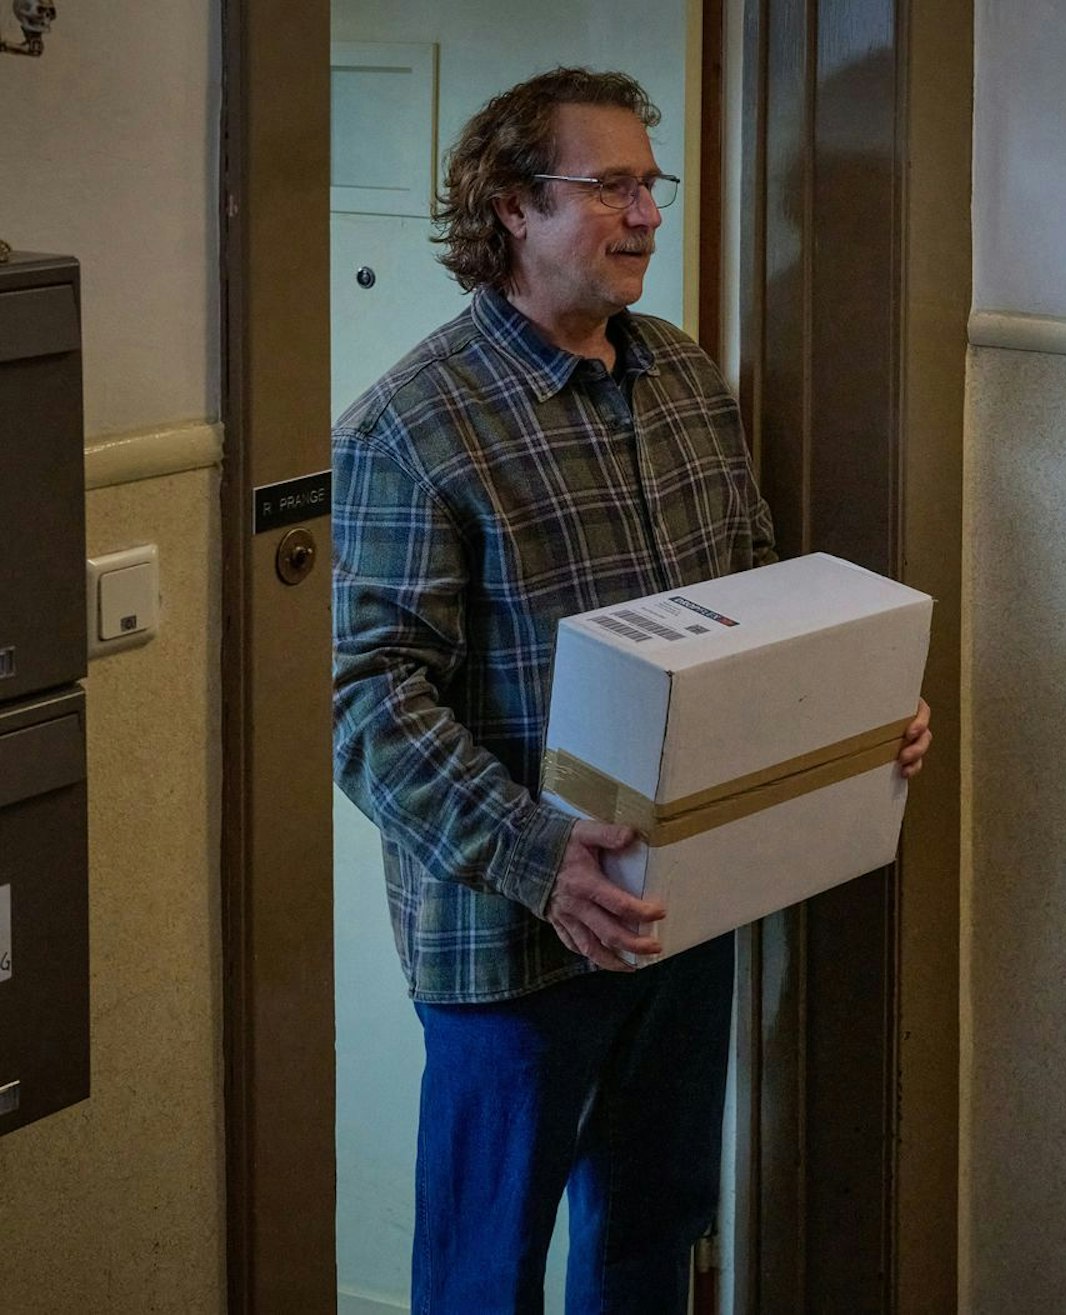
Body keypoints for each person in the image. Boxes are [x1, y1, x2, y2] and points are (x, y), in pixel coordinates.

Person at [332, 67, 930, 1313]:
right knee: (481, 1274)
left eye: (648, 185)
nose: (646, 212)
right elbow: (369, 705)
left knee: (650, 1240)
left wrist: (856, 718)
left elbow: (761, 610)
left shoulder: (681, 378)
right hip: (512, 943)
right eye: (609, 186)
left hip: (681, 910)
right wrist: (546, 859)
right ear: (509, 207)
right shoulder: (411, 424)